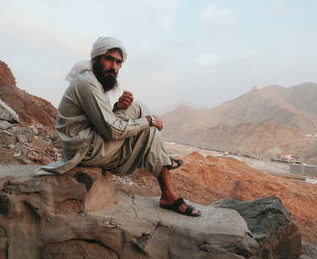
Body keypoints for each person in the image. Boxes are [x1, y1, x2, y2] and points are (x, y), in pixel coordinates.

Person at [37, 37, 201, 217]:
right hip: (84, 150)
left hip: (89, 140)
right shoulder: (87, 83)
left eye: (118, 62)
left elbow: (100, 118)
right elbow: (112, 130)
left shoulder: (95, 81)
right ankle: (168, 195)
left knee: (136, 106)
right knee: (149, 127)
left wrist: (118, 109)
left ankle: (161, 159)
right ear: (95, 60)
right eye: (109, 59)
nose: (113, 66)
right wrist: (150, 120)